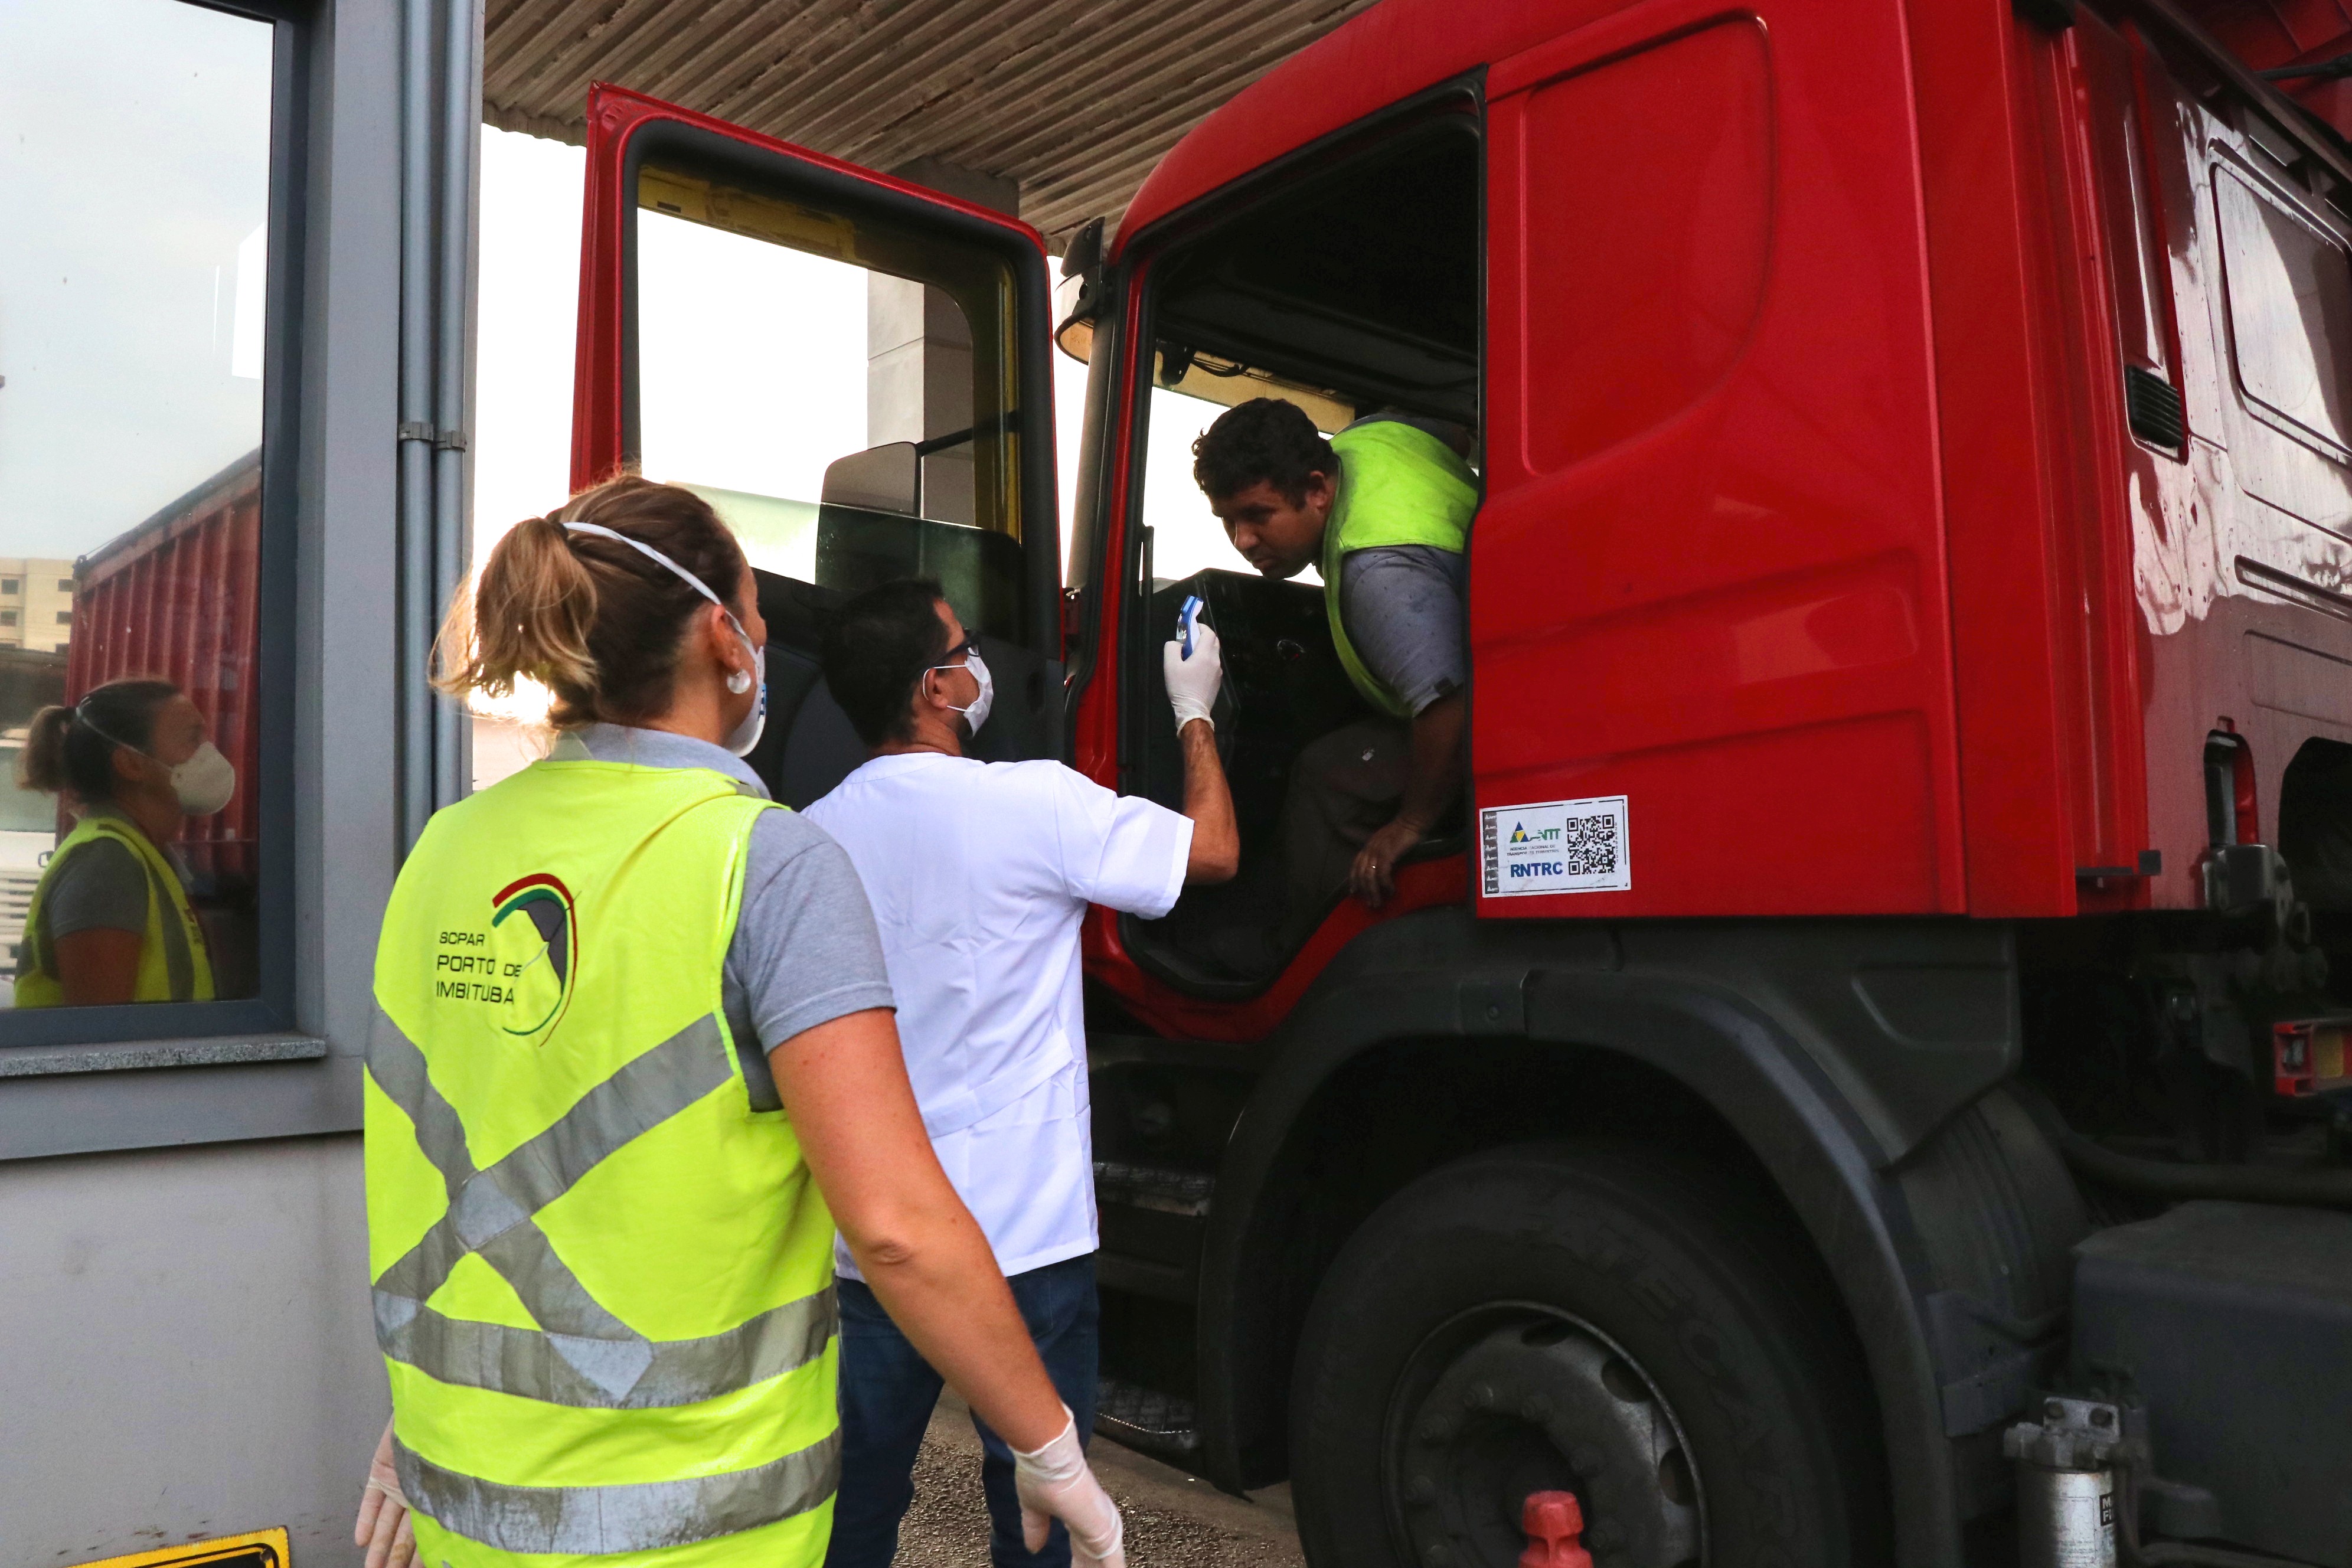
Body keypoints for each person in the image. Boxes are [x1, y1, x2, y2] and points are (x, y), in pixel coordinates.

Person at [349, 479, 1126, 1568]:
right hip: (696, 1530)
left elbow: (462, 1158)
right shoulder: (763, 865)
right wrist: (1050, 1448)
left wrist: (408, 1426)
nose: (762, 634)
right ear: (725, 637)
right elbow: (895, 1224)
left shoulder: (447, 851)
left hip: (460, 1497)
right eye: (757, 609)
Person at [804, 578, 1237, 1568]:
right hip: (1025, 1246)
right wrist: (1195, 711)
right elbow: (1209, 853)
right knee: (1037, 1518)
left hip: (874, 1246)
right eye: (961, 649)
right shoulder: (1035, 804)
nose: (976, 664)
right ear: (936, 690)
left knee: (850, 1511)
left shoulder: (806, 837)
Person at [1191, 397, 1478, 948]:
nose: (1242, 540)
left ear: (1318, 490)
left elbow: (1449, 706)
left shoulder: (1376, 573)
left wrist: (1411, 825)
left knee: (1327, 776)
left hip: (1492, 717)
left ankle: (1313, 955)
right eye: (1228, 520)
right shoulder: (1379, 434)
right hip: (1499, 654)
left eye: (1258, 515)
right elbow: (1457, 435)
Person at [14, 678, 233, 1006]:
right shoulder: (105, 863)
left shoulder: (147, 853)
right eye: (192, 738)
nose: (208, 751)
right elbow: (98, 1038)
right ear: (131, 764)